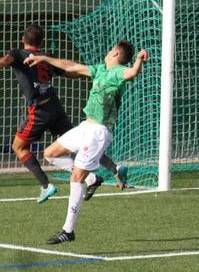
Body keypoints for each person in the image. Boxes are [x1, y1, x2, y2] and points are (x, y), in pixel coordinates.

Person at [23, 40, 148, 244]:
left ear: (116, 53)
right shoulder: (100, 69)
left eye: (109, 50)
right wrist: (43, 58)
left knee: (75, 178)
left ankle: (68, 230)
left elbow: (133, 73)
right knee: (50, 154)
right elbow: (72, 66)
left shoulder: (119, 72)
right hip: (85, 127)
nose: (107, 52)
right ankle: (93, 179)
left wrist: (139, 59)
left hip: (98, 132)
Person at [0, 25, 127, 204]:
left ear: (23, 40)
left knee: (18, 147)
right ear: (41, 42)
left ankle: (46, 185)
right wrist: (92, 77)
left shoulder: (18, 53)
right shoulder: (48, 57)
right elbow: (69, 72)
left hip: (39, 111)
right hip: (55, 107)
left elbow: (5, 61)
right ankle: (113, 169)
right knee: (80, 142)